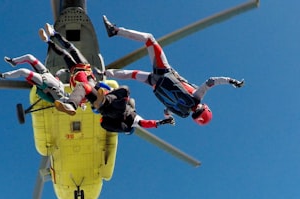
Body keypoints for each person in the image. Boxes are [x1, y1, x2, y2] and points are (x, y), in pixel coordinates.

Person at [102, 16, 245, 126]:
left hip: (164, 72)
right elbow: (166, 110)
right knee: (132, 75)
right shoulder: (183, 111)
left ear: (205, 108)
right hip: (155, 84)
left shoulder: (197, 96)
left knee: (149, 39)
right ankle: (104, 73)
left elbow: (211, 81)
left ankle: (115, 31)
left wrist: (232, 81)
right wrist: (168, 119)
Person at [38, 23, 102, 116]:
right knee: (64, 54)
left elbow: (100, 86)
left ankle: (54, 34)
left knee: (71, 49)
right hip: (75, 74)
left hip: (82, 69)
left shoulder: (89, 91)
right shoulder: (82, 97)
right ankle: (48, 41)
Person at [89, 85, 175, 133]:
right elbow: (145, 123)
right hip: (109, 111)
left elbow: (145, 123)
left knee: (124, 91)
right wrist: (162, 122)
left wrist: (162, 122)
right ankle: (97, 103)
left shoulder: (132, 119)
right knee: (123, 93)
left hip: (112, 111)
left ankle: (97, 102)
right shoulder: (132, 117)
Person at [0, 54, 69, 104]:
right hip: (46, 73)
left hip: (43, 81)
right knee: (29, 57)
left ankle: (3, 75)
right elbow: (58, 74)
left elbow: (59, 101)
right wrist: (65, 71)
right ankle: (13, 61)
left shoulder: (58, 95)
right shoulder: (61, 86)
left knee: (23, 71)